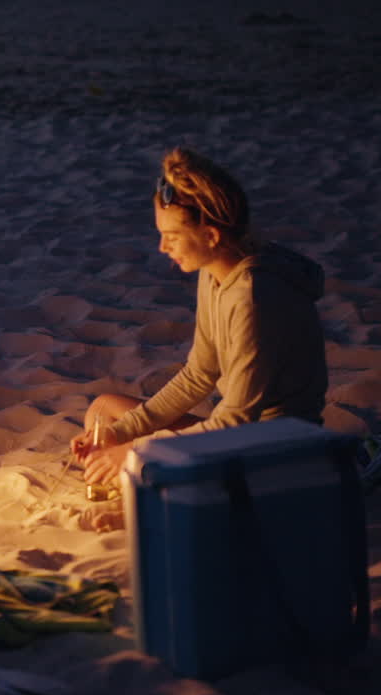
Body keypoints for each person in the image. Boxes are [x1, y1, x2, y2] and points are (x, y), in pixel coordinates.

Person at [72, 148, 328, 488]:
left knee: (134, 461)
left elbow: (236, 420)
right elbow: (198, 374)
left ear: (211, 235)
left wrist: (137, 451)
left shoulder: (253, 296)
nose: (163, 247)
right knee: (104, 415)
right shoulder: (214, 271)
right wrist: (122, 434)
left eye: (173, 236)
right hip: (242, 433)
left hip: (278, 447)